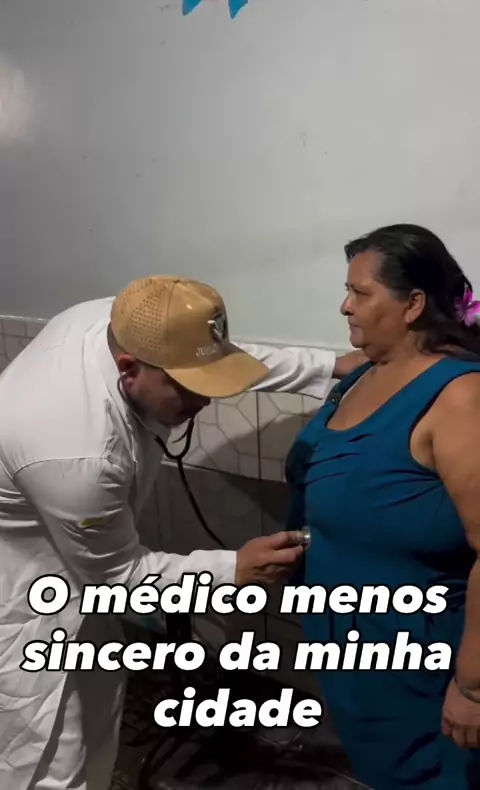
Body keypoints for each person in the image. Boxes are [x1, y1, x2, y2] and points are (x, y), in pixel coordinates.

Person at [0, 274, 363, 790]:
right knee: (49, 750)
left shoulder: (122, 320)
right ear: (128, 369)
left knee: (98, 715)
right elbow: (118, 581)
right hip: (25, 598)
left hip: (77, 555)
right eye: (189, 388)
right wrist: (234, 569)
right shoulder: (77, 453)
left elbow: (216, 357)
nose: (206, 401)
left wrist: (330, 366)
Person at [285, 224, 480, 789]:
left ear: (413, 304)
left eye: (360, 292)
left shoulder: (459, 397)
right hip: (355, 662)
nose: (345, 305)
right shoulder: (363, 375)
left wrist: (472, 687)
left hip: (425, 668)